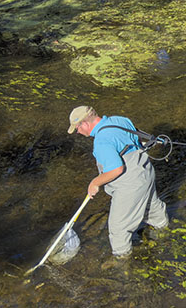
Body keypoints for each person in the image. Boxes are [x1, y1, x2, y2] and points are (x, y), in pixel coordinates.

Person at [67, 105, 168, 260]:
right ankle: (166, 235)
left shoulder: (101, 142)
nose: (78, 132)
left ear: (85, 124)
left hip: (130, 185)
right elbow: (137, 138)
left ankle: (123, 264)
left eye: (77, 128)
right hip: (146, 171)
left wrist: (95, 183)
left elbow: (116, 169)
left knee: (119, 229)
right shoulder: (119, 120)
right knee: (152, 208)